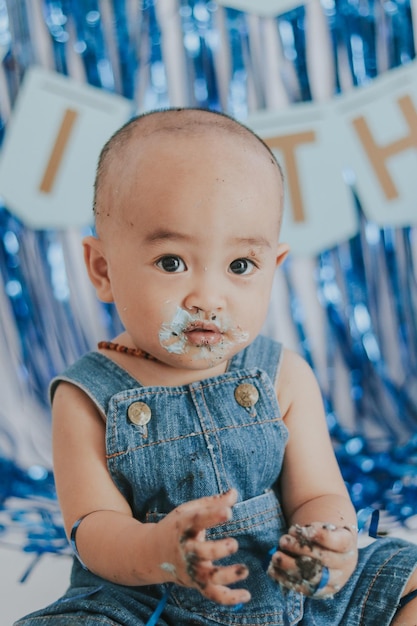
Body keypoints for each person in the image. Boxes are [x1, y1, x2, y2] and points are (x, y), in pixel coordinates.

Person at [15, 107, 417, 626]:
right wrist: (158, 549)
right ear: (102, 269)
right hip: (149, 599)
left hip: (285, 585)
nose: (208, 297)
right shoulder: (87, 395)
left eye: (240, 266)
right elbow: (94, 530)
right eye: (171, 262)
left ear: (273, 268)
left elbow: (318, 492)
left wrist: (325, 543)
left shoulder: (283, 374)